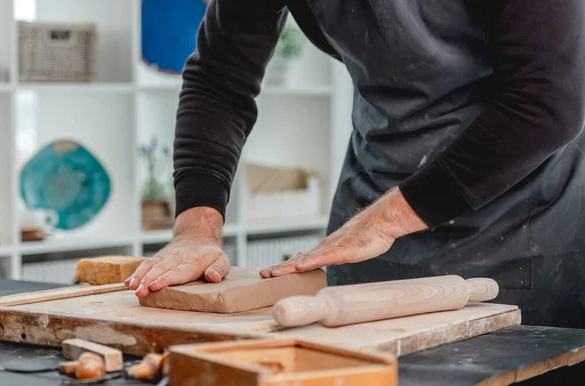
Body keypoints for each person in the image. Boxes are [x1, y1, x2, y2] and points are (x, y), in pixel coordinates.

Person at [125, 0, 585, 329]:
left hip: (517, 214)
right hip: (371, 198)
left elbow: (546, 103)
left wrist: (385, 222)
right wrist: (196, 229)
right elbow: (219, 80)